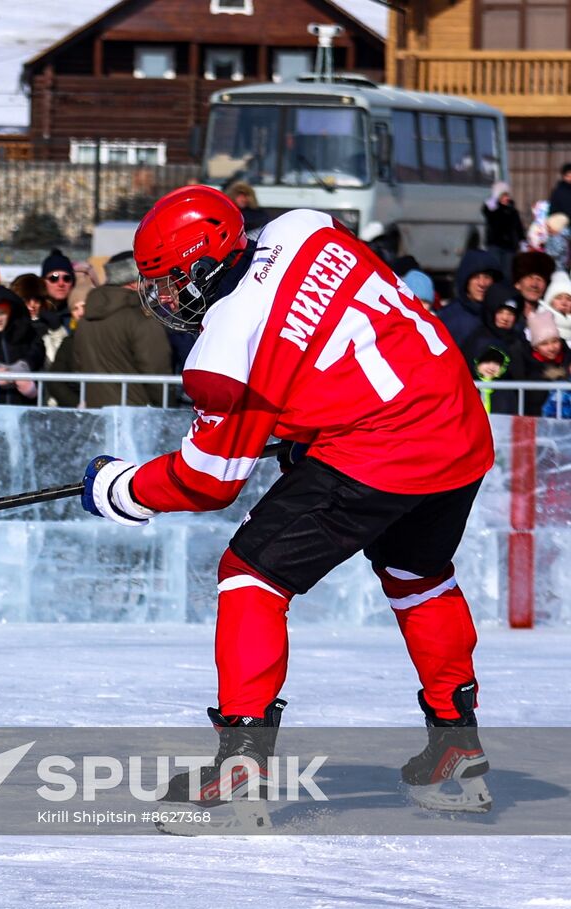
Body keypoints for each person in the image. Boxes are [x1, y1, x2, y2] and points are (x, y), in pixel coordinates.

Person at [82, 186, 495, 830]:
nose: (166, 300)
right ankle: (457, 750)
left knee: (251, 574)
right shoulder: (303, 228)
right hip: (454, 421)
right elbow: (332, 332)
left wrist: (123, 489)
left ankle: (242, 766)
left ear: (203, 264)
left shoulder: (226, 342)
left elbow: (208, 480)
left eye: (170, 283)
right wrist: (307, 426)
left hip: (379, 445)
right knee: (419, 574)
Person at [48, 252, 171, 408]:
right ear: (133, 282)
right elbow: (157, 373)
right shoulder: (139, 319)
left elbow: (78, 366)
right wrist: (167, 409)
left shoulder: (86, 321)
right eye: (144, 279)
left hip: (97, 416)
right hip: (137, 416)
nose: (149, 285)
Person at [439, 250, 502, 349]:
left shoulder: (503, 314)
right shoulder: (448, 318)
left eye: (487, 277)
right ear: (465, 281)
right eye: (476, 277)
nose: (482, 283)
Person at [482, 182, 524, 278]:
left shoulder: (512, 210)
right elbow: (486, 211)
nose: (507, 198)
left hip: (510, 247)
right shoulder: (492, 209)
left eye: (507, 195)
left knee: (507, 273)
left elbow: (518, 228)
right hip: (495, 245)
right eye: (503, 195)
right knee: (494, 270)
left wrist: (521, 240)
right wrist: (494, 199)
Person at [546, 271, 571, 343]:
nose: (564, 303)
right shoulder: (539, 323)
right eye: (559, 298)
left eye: (569, 299)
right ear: (550, 301)